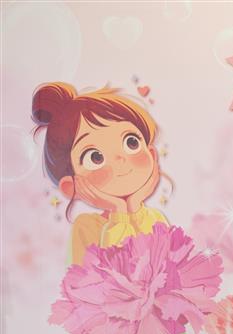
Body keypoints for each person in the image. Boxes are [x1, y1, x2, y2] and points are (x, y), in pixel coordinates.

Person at [31, 82, 167, 265]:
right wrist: (119, 213)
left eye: (131, 142)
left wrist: (134, 208)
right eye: (95, 157)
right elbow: (107, 274)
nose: (120, 159)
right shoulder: (85, 228)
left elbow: (168, 268)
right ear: (71, 186)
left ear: (151, 155)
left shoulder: (155, 219)